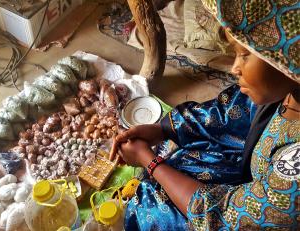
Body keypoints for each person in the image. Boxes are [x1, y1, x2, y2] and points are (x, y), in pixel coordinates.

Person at [110, 1, 300, 230]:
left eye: (245, 55)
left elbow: (227, 218)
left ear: (288, 60)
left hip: (252, 214)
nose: (234, 68)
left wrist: (149, 162)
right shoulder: (287, 90)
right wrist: (162, 129)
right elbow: (228, 112)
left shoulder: (294, 173)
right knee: (182, 161)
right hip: (252, 167)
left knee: (152, 209)